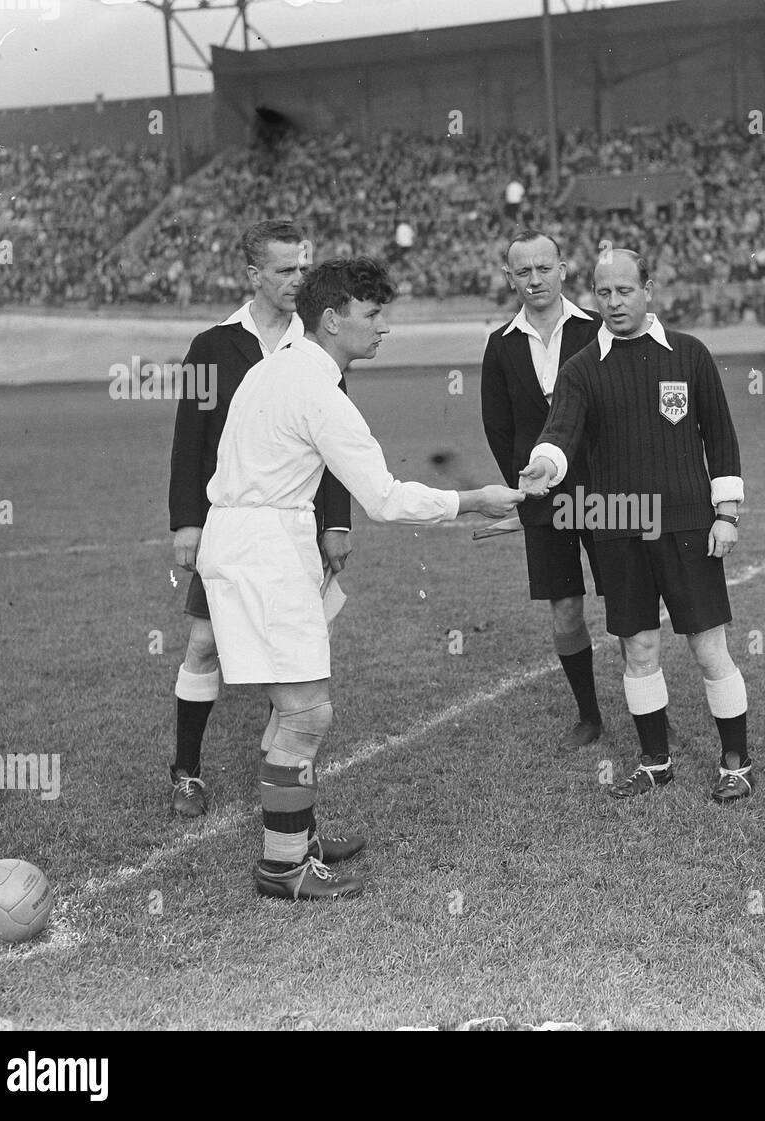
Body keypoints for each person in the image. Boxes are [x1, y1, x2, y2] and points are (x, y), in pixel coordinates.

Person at [197, 257, 522, 900]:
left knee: (292, 707)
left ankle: (300, 838)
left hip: (248, 541)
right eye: (372, 315)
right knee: (306, 712)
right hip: (265, 552)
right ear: (331, 318)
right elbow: (384, 498)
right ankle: (284, 865)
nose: (384, 328)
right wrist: (474, 499)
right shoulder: (319, 389)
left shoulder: (271, 370)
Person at [519, 248, 752, 803]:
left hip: (690, 525)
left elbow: (719, 437)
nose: (615, 303)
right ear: (593, 296)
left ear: (648, 288)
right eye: (604, 294)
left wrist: (727, 513)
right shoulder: (581, 369)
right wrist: (545, 464)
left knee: (708, 648)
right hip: (620, 526)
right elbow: (561, 434)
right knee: (638, 648)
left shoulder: (690, 356)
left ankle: (736, 763)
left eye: (625, 291)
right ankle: (655, 761)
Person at [167, 219, 354, 819]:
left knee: (298, 645)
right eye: (285, 270)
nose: (299, 280)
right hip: (233, 525)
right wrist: (186, 521)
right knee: (204, 643)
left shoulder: (320, 343)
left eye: (304, 267)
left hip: (297, 526)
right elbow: (188, 440)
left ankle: (283, 759)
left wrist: (337, 520)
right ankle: (187, 771)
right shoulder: (212, 346)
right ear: (253, 275)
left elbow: (334, 442)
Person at [480, 230, 608, 750]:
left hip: (605, 496)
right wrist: (524, 494)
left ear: (563, 270)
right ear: (510, 278)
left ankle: (650, 705)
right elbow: (500, 429)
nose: (535, 279)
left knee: (625, 603)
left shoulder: (597, 330)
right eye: (523, 271)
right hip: (544, 502)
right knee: (566, 607)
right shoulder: (501, 344)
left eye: (543, 268)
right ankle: (589, 714)